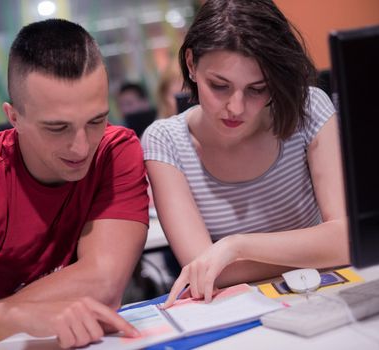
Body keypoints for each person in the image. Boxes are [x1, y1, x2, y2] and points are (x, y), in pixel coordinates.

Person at [0, 19, 149, 348]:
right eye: (57, 128)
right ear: (14, 117)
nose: (81, 147)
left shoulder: (115, 150)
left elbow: (104, 284)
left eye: (96, 121)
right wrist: (15, 318)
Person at [141, 0, 349, 308]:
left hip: (325, 295)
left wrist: (235, 247)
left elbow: (346, 240)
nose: (236, 107)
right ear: (191, 64)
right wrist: (316, 248)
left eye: (257, 89)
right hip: (239, 312)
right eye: (220, 86)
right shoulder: (165, 141)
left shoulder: (308, 109)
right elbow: (206, 270)